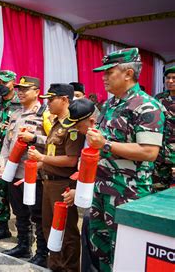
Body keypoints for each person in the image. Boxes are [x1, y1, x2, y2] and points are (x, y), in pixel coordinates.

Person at [87, 48, 165, 271]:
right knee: (100, 247)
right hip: (101, 188)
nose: (103, 78)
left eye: (109, 72)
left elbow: (149, 152)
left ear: (128, 73)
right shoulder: (111, 104)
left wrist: (106, 145)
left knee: (123, 250)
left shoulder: (147, 105)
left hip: (127, 192)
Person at [28, 83, 85, 272]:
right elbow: (55, 153)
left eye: (51, 100)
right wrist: (42, 164)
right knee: (50, 228)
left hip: (63, 185)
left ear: (65, 100)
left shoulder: (73, 126)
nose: (48, 103)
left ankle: (68, 268)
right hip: (49, 182)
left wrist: (42, 158)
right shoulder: (57, 123)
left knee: (66, 232)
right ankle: (56, 266)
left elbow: (71, 160)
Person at [0, 76, 48, 267]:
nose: (20, 92)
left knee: (37, 214)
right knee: (19, 212)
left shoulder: (46, 114)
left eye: (25, 89)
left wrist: (34, 138)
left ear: (36, 92)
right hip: (14, 171)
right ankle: (23, 245)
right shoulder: (15, 114)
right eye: (18, 88)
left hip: (34, 173)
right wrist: (2, 162)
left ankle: (42, 253)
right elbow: (7, 142)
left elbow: (54, 142)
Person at [62, 98, 100, 272]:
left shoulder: (101, 140)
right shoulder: (88, 136)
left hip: (101, 203)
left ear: (91, 121)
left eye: (78, 125)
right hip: (91, 202)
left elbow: (102, 176)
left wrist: (79, 193)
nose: (76, 129)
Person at [0, 70, 21, 241]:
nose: (1, 86)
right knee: (1, 192)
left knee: (19, 194)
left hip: (18, 158)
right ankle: (2, 228)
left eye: (5, 82)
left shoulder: (21, 103)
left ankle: (25, 233)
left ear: (13, 82)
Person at [153, 65, 175, 190]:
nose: (170, 81)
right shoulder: (159, 98)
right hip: (160, 152)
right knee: (157, 187)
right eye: (168, 78)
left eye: (174, 78)